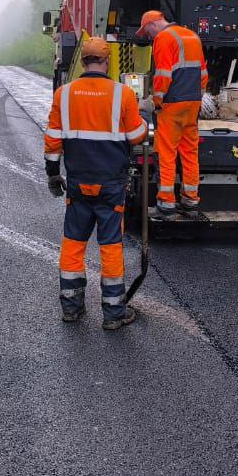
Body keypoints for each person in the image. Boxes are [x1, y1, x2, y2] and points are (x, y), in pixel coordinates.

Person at [44, 37, 148, 330]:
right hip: (111, 185)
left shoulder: (63, 95)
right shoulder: (123, 95)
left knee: (73, 245)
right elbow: (136, 136)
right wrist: (143, 115)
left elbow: (53, 139)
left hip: (78, 185)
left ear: (83, 62)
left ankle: (71, 308)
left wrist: (53, 173)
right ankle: (114, 315)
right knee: (111, 247)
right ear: (106, 61)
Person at [137, 9, 208, 216]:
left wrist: (154, 102)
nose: (148, 37)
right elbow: (203, 73)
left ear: (152, 24)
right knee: (190, 152)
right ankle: (190, 201)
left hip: (171, 105)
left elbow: (163, 75)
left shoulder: (163, 38)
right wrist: (197, 97)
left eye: (146, 32)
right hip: (192, 103)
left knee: (167, 153)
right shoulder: (192, 36)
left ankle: (166, 203)